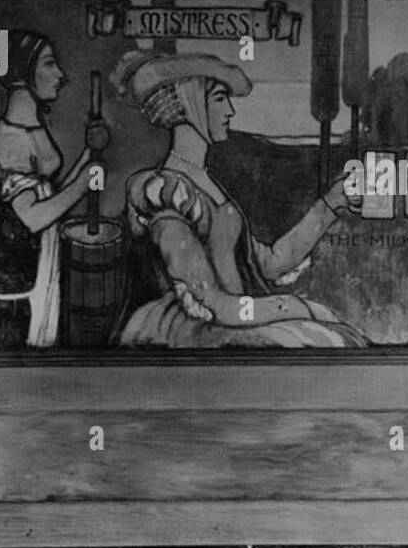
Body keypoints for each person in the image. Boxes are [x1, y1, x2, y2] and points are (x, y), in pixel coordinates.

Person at [112, 50, 367, 349]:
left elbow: (268, 264)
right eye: (220, 98)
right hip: (198, 331)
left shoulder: (207, 184)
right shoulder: (166, 196)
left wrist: (331, 204)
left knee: (334, 336)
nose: (230, 111)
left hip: (234, 318)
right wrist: (295, 307)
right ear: (190, 103)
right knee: (325, 340)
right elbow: (215, 304)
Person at [0, 31, 97, 348]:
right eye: (49, 63)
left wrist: (90, 156)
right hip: (16, 282)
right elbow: (30, 217)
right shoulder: (11, 140)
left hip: (41, 261)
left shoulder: (31, 128)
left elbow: (48, 191)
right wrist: (82, 185)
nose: (60, 74)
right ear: (22, 74)